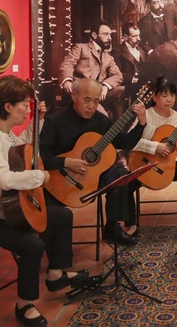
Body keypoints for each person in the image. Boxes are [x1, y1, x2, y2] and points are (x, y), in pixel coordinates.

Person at [0, 75, 89, 326]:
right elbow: (3, 178)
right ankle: (24, 305)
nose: (27, 107)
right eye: (23, 103)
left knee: (62, 216)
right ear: (8, 106)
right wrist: (38, 176)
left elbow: (22, 147)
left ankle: (56, 274)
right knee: (32, 246)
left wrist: (37, 122)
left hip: (7, 211)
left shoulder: (4, 133)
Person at [40, 78, 147, 246]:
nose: (91, 106)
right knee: (51, 211)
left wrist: (141, 124)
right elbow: (41, 158)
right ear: (74, 96)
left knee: (119, 176)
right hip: (59, 181)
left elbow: (124, 143)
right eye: (87, 100)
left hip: (91, 177)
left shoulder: (101, 121)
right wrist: (66, 162)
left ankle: (112, 228)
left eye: (96, 101)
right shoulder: (55, 121)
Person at [131, 76, 177, 220]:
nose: (169, 99)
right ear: (155, 97)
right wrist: (155, 147)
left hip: (166, 169)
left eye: (172, 95)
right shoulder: (146, 115)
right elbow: (130, 142)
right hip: (145, 165)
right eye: (164, 95)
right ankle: (130, 223)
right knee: (124, 187)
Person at [58, 20, 123, 118]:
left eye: (110, 35)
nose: (109, 38)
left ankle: (121, 127)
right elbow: (67, 64)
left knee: (123, 90)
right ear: (94, 35)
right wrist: (67, 81)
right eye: (105, 34)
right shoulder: (81, 48)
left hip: (98, 91)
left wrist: (105, 86)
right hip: (81, 92)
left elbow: (118, 75)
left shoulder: (108, 57)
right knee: (103, 117)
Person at [111, 22, 147, 114]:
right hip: (127, 88)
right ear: (125, 37)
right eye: (134, 36)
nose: (138, 39)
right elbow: (117, 73)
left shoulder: (141, 50)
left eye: (139, 35)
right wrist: (134, 79)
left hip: (142, 87)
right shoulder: (117, 51)